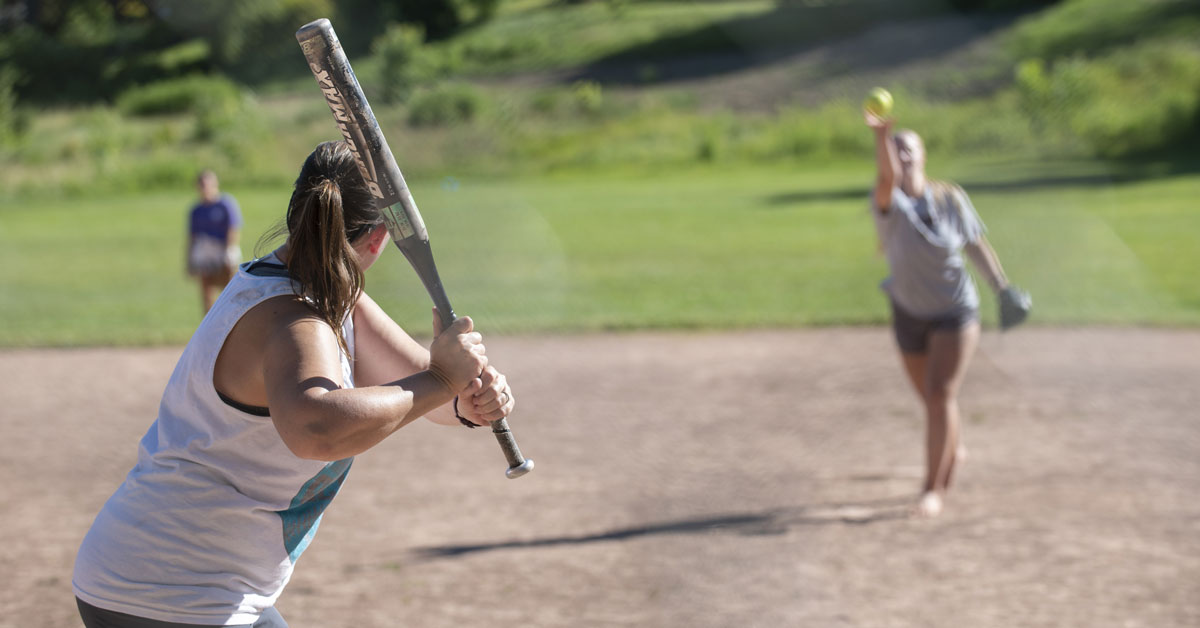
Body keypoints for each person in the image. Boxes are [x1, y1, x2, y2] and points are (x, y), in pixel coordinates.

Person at [74, 140, 517, 627]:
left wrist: (465, 399)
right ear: (379, 239)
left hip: (191, 583)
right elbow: (316, 428)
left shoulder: (334, 294)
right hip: (169, 593)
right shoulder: (291, 318)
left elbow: (424, 391)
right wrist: (440, 379)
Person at [865, 109, 1028, 518]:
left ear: (923, 155)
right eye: (894, 147)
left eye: (908, 146)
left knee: (940, 395)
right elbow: (886, 179)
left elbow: (975, 244)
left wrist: (1002, 287)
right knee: (930, 398)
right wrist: (881, 136)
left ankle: (932, 488)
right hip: (907, 311)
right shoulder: (888, 201)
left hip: (955, 311)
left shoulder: (949, 197)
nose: (901, 153)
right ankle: (952, 445)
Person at [187, 170, 243, 314]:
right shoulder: (197, 210)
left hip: (223, 248)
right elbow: (193, 236)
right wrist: (189, 259)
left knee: (229, 287)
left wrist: (229, 250)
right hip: (206, 250)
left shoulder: (225, 204)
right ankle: (209, 320)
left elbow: (233, 228)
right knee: (206, 288)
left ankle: (232, 317)